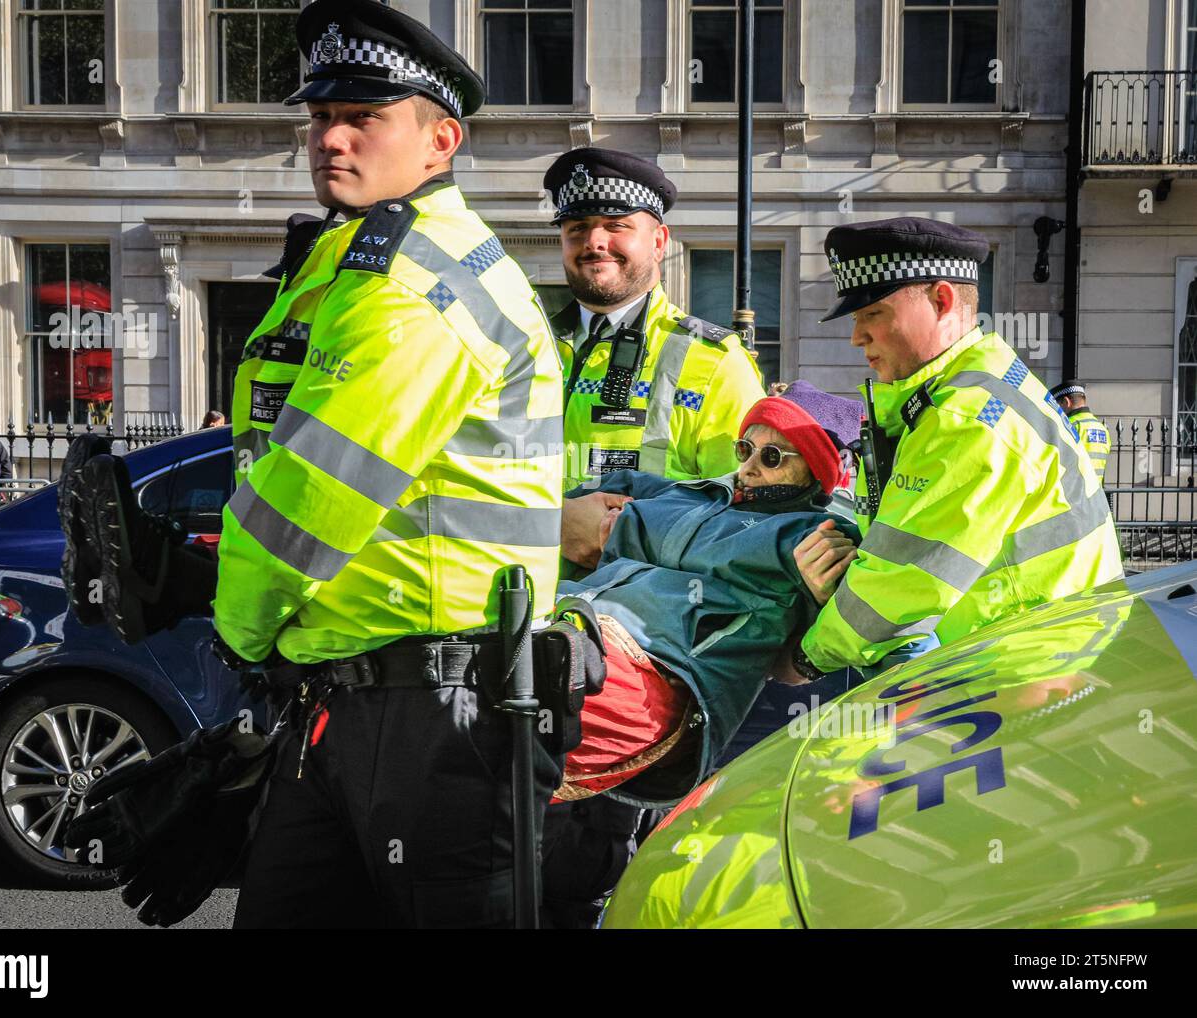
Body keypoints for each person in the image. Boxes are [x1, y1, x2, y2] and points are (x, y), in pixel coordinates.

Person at [203, 0, 565, 929]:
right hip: (362, 694)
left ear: (441, 139)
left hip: (436, 712)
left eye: (366, 118)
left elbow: (312, 496)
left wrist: (233, 628)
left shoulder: (413, 279)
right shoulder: (350, 256)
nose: (333, 137)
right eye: (322, 117)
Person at [540, 384, 863, 928]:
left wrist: (623, 530)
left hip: (662, 669)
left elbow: (833, 633)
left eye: (774, 456)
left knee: (498, 731)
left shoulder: (810, 533)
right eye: (745, 449)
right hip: (572, 628)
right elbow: (566, 507)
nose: (751, 468)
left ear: (815, 473)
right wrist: (597, 524)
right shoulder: (684, 494)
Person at [778, 217, 1124, 687]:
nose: (856, 336)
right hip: (1045, 662)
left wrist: (803, 661)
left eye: (871, 314)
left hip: (1021, 679)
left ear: (941, 301)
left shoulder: (962, 417)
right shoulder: (977, 382)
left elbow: (902, 590)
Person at [544, 148, 766, 490]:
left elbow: (742, 504)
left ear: (659, 242)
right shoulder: (526, 345)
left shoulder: (716, 363)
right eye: (577, 228)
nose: (593, 241)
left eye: (616, 225)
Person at [1050, 379, 1111, 483]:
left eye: (1058, 405)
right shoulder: (1102, 428)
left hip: (1072, 494)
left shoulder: (1069, 425)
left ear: (1066, 402)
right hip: (1095, 494)